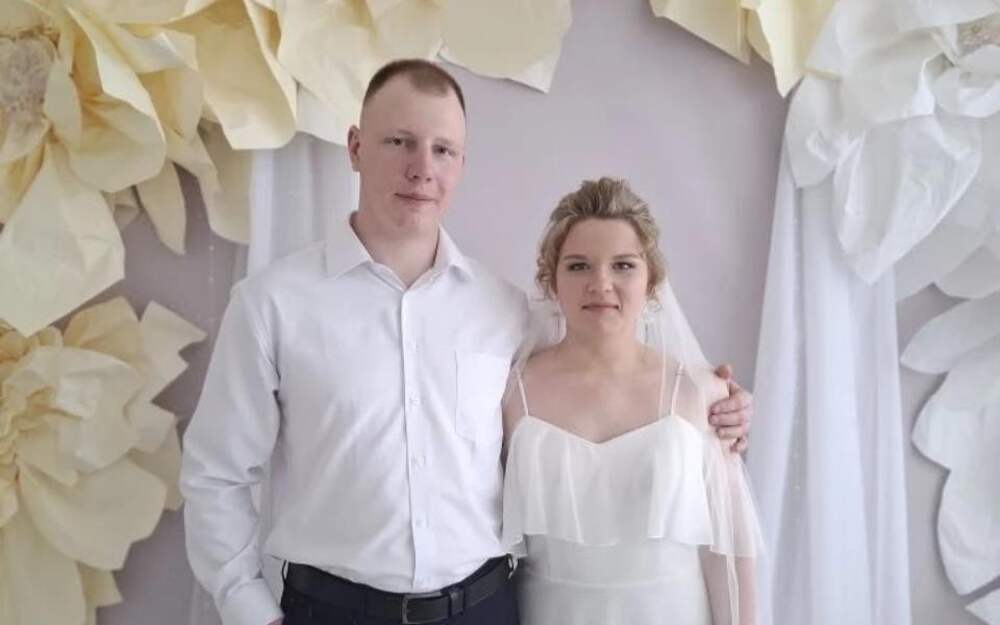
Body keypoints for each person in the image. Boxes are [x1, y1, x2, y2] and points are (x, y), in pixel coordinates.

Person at [180, 60, 753, 625]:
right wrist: (250, 611)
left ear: (461, 163)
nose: (421, 169)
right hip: (331, 611)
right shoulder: (272, 305)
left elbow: (600, 377)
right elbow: (215, 476)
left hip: (485, 610)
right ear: (355, 148)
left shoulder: (507, 311)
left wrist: (719, 409)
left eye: (443, 150)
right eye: (399, 142)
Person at [501, 177, 762, 625]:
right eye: (579, 266)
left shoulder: (699, 392)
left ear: (651, 280)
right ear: (552, 280)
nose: (600, 283)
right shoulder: (512, 393)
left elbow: (730, 549)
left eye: (622, 265)